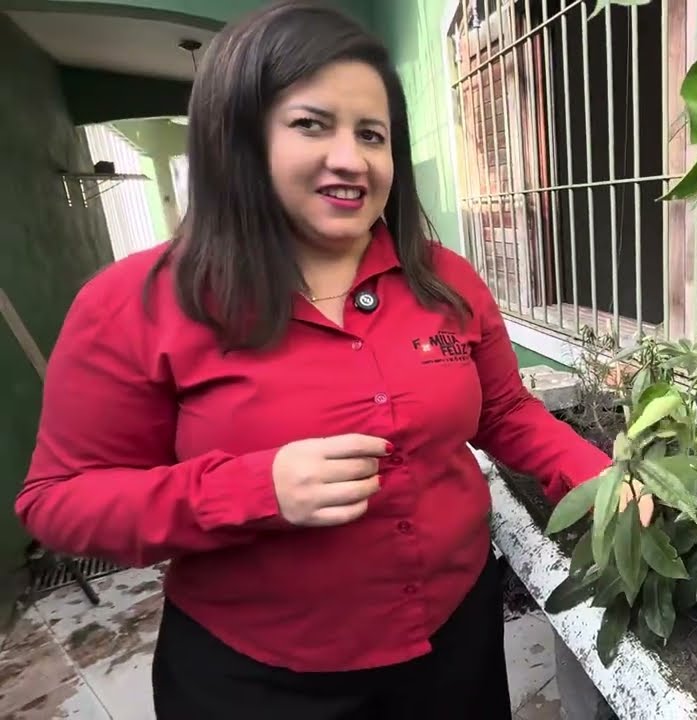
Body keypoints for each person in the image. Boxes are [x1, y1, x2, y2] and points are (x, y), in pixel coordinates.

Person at [14, 2, 616, 717]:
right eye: (311, 124)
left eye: (372, 133)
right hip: (263, 681)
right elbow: (58, 503)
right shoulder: (136, 305)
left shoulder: (446, 280)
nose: (350, 158)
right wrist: (254, 491)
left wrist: (602, 481)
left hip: (454, 646)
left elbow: (505, 411)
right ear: (238, 137)